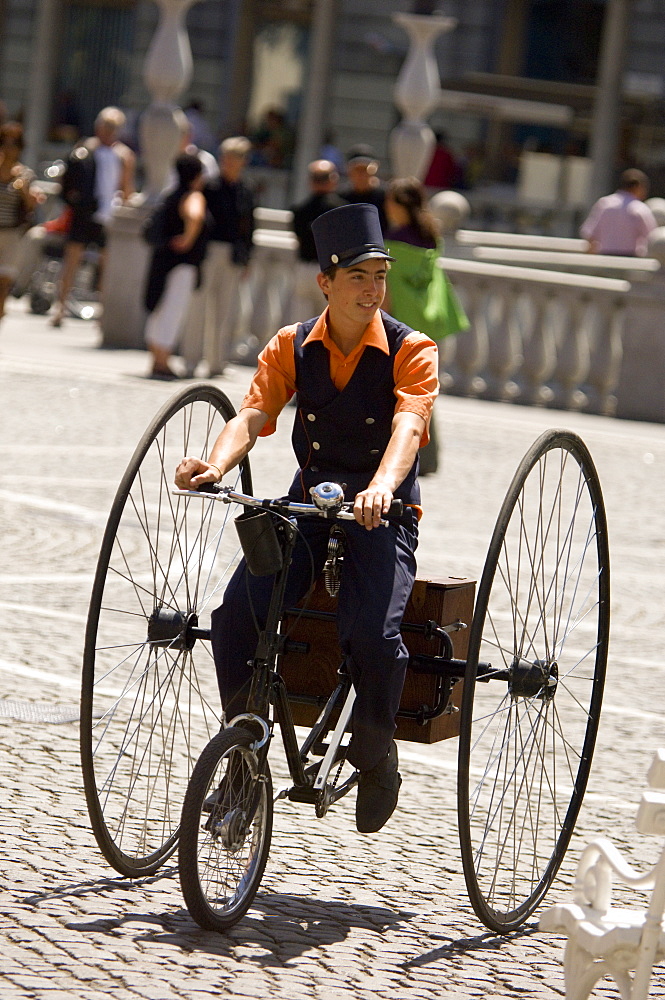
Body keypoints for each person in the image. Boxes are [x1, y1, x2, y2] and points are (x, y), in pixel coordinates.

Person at [175, 202, 438, 834]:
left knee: (373, 637)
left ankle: (377, 757)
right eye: (358, 278)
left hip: (384, 510)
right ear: (326, 281)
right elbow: (253, 416)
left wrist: (379, 487)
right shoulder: (292, 345)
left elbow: (409, 426)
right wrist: (213, 464)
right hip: (307, 503)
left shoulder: (412, 349)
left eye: (380, 276)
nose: (372, 290)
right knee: (236, 615)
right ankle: (242, 762)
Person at [384, 177, 468, 475]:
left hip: (401, 324)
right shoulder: (431, 237)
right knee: (424, 389)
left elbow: (388, 289)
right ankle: (429, 458)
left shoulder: (394, 243)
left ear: (398, 205)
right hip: (428, 322)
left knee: (396, 391)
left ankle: (401, 455)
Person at [51, 106, 135, 327]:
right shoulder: (85, 150)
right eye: (105, 126)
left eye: (112, 127)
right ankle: (60, 308)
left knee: (108, 265)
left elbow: (127, 187)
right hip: (85, 213)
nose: (108, 131)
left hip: (109, 215)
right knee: (72, 260)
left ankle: (103, 314)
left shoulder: (123, 155)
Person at [181, 136, 254, 378]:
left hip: (233, 255)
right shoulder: (209, 186)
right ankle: (191, 361)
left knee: (225, 311)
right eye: (227, 157)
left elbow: (248, 227)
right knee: (199, 306)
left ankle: (217, 362)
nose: (230, 162)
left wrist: (247, 259)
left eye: (236, 158)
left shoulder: (245, 190)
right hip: (209, 251)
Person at [143, 154, 209, 380]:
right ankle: (162, 359)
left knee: (160, 308)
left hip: (162, 262)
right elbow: (195, 215)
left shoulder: (170, 195)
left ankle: (157, 358)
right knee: (173, 309)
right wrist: (189, 239)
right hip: (183, 264)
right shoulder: (193, 195)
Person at [289, 159, 345, 321]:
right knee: (329, 323)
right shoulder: (342, 210)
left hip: (304, 269)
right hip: (331, 270)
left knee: (301, 324)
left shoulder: (300, 210)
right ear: (333, 180)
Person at [0, 121, 37, 325]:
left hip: (12, 233)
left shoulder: (24, 174)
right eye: (5, 143)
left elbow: (31, 207)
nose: (9, 148)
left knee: (4, 281)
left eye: (14, 144)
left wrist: (23, 190)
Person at [581, 169, 657, 256]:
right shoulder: (639, 208)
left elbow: (589, 233)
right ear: (637, 187)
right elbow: (652, 237)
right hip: (629, 260)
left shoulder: (604, 204)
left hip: (604, 258)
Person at [340, 145, 387, 233]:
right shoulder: (341, 198)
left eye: (365, 169)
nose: (361, 174)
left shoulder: (386, 197)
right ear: (349, 171)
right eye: (357, 169)